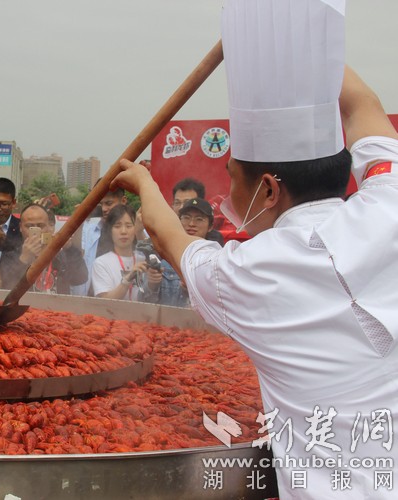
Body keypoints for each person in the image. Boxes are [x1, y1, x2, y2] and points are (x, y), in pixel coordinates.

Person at [112, 1, 397, 497]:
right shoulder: (389, 200)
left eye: (232, 182)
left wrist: (140, 178)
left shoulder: (248, 273)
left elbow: (166, 233)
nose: (228, 198)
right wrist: (299, 44)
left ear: (268, 190)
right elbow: (364, 105)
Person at [0, 203, 87, 293]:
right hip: (26, 306)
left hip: (56, 305)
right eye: (29, 226)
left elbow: (80, 278)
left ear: (48, 226)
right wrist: (23, 259)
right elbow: (6, 286)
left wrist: (69, 248)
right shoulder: (10, 255)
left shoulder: (59, 254)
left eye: (41, 226)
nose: (36, 230)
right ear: (21, 227)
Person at [144, 198, 214, 307]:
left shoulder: (215, 263)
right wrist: (152, 285)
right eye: (186, 218)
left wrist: (192, 293)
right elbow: (142, 304)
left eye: (199, 219)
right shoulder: (163, 258)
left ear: (210, 226)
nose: (191, 224)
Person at [70, 182, 127, 296]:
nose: (104, 209)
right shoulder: (88, 228)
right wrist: (78, 221)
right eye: (100, 204)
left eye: (109, 203)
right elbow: (76, 254)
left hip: (120, 302)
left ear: (123, 201)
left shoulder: (136, 232)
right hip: (88, 299)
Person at [91, 204, 149, 301]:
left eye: (129, 226)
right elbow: (104, 300)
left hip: (142, 316)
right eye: (117, 226)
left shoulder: (143, 259)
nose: (123, 231)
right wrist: (127, 280)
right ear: (110, 230)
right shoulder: (101, 263)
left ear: (135, 228)